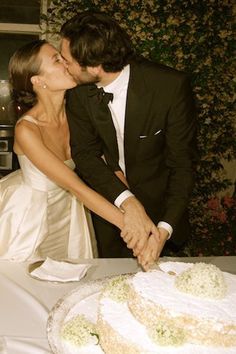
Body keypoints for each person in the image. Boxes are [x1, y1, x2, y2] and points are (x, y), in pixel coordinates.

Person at [0, 39, 157, 265]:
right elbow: (75, 184)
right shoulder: (26, 130)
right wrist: (131, 226)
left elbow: (104, 163)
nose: (66, 63)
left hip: (68, 213)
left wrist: (132, 207)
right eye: (57, 59)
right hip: (29, 217)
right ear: (38, 80)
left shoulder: (77, 113)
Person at [60, 11, 197, 259]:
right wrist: (128, 202)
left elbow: (182, 165)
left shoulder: (169, 87)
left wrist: (163, 230)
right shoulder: (78, 91)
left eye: (67, 60)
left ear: (93, 66)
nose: (63, 65)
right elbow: (85, 153)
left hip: (161, 212)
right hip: (109, 206)